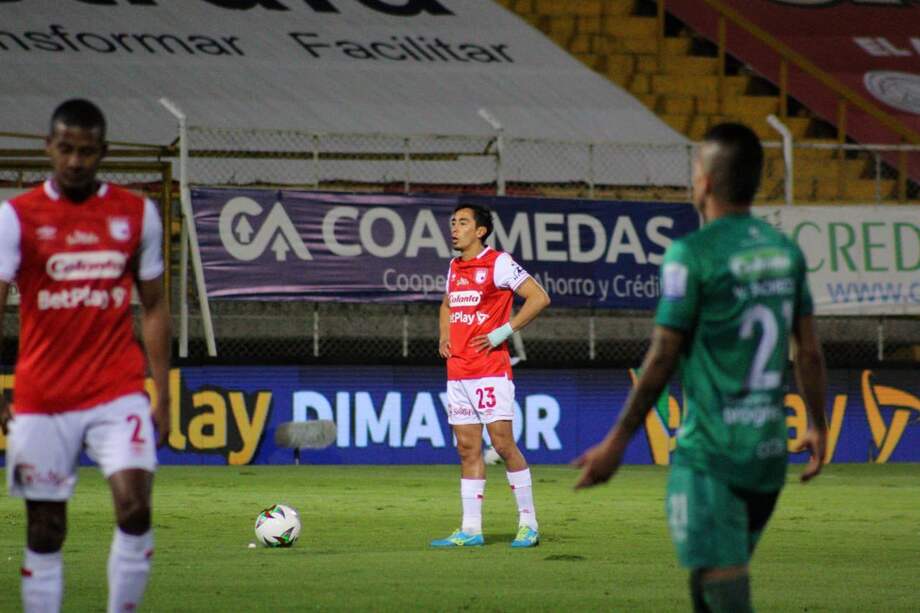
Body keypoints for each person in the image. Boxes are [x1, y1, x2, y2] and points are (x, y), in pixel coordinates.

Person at [574, 123, 828, 612]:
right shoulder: (785, 252)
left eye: (694, 170)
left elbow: (664, 354)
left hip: (712, 454)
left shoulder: (691, 254)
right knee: (709, 579)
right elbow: (811, 352)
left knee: (723, 587)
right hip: (769, 454)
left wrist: (616, 442)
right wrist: (818, 425)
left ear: (707, 182)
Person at [0, 99, 170, 613]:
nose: (75, 161)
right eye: (66, 149)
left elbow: (157, 306)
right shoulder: (15, 218)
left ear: (104, 153)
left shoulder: (137, 213)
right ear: (49, 147)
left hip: (116, 391)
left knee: (135, 508)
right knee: (46, 528)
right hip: (42, 397)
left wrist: (163, 393)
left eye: (87, 152)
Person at [431, 203, 550, 548]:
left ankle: (528, 523)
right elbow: (447, 304)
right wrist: (444, 335)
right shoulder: (454, 266)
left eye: (463, 222)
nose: (455, 228)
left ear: (480, 231)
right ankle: (470, 530)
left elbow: (539, 298)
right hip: (458, 372)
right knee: (468, 449)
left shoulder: (498, 262)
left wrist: (502, 333)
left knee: (502, 444)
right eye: (453, 222)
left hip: (489, 371)